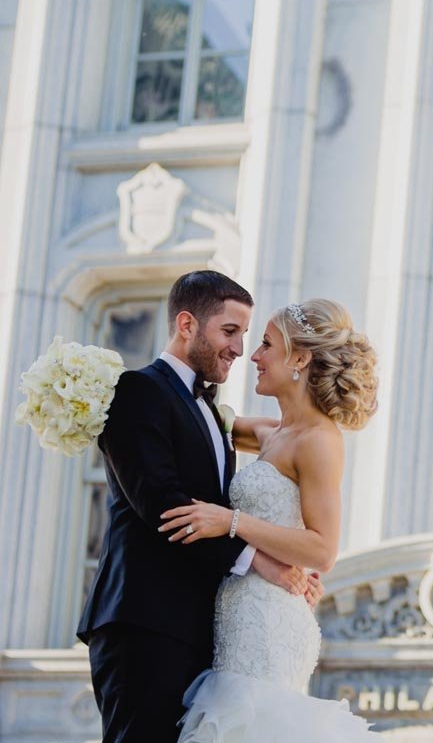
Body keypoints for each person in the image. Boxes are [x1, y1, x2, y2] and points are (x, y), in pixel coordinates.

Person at [77, 270, 323, 743]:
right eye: (229, 331)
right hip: (143, 621)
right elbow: (164, 508)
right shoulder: (137, 392)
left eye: (246, 336)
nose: (239, 348)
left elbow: (290, 447)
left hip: (198, 626)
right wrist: (261, 564)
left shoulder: (212, 411)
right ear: (186, 325)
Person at [158, 298, 378, 740]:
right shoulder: (269, 433)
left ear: (299, 358)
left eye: (265, 344)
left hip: (270, 621)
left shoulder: (319, 441)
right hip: (235, 615)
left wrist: (232, 522)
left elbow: (322, 549)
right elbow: (192, 417)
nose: (252, 356)